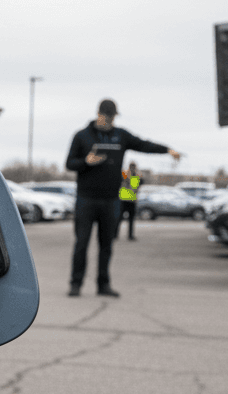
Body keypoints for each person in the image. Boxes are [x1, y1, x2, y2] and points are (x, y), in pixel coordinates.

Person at [65, 99, 181, 296]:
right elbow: (69, 163)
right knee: (81, 243)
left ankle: (103, 285)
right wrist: (86, 161)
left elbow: (144, 144)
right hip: (86, 199)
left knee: (107, 245)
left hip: (111, 200)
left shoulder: (121, 136)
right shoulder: (82, 136)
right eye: (106, 117)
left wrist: (167, 150)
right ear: (98, 114)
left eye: (112, 118)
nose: (109, 121)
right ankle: (76, 284)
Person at [116, 162, 142, 241]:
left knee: (128, 219)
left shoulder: (135, 175)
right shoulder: (126, 174)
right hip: (125, 199)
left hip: (129, 199)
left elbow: (136, 186)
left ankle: (129, 235)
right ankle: (116, 234)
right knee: (120, 218)